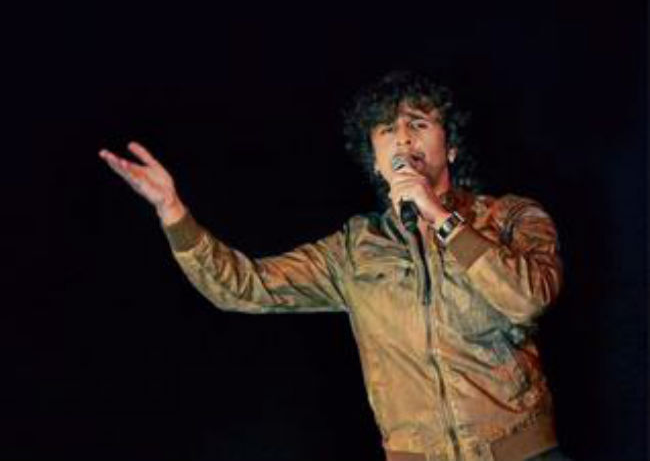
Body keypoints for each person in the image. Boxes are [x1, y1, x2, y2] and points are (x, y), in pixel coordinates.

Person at [99, 71, 570, 461]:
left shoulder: (510, 216)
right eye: (386, 129)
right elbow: (244, 287)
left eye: (419, 123)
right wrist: (173, 212)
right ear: (376, 162)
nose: (403, 136)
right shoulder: (354, 249)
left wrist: (440, 217)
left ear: (450, 147)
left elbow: (528, 299)